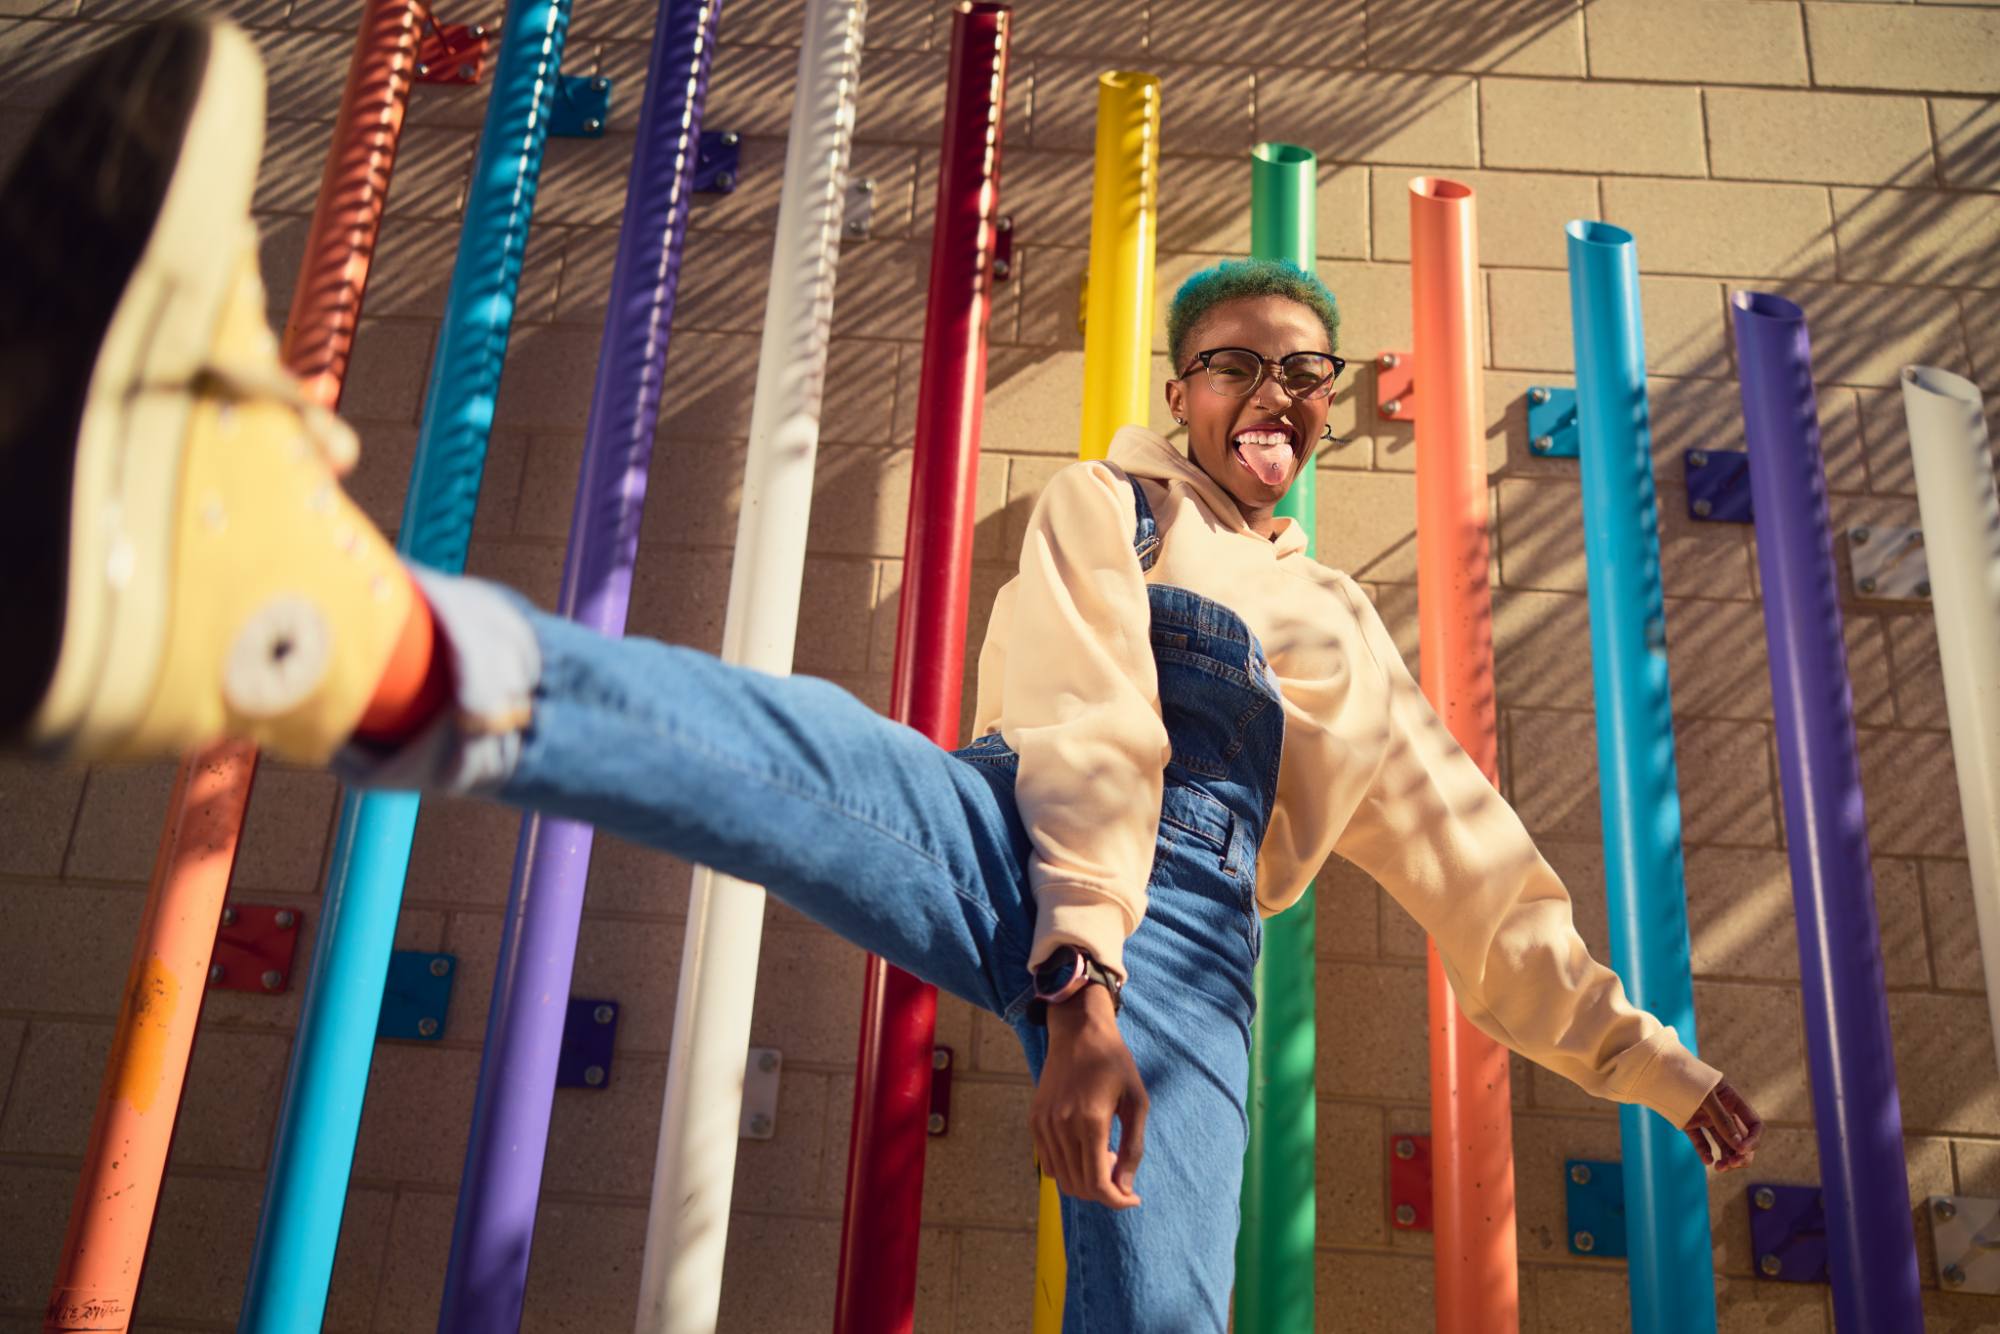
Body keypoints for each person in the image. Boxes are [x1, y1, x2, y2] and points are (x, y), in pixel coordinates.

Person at [0, 18, 1763, 1330]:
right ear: (1183, 385)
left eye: (1311, 380)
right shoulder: (1117, 504)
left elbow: (1488, 889)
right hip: (1031, 845)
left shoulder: (1353, 644)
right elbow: (1087, 720)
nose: (1280, 403)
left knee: (1169, 1314)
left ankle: (278, 610)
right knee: (789, 747)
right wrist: (1080, 988)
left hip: (1206, 956)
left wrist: (1657, 1069)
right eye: (1240, 366)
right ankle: (288, 617)